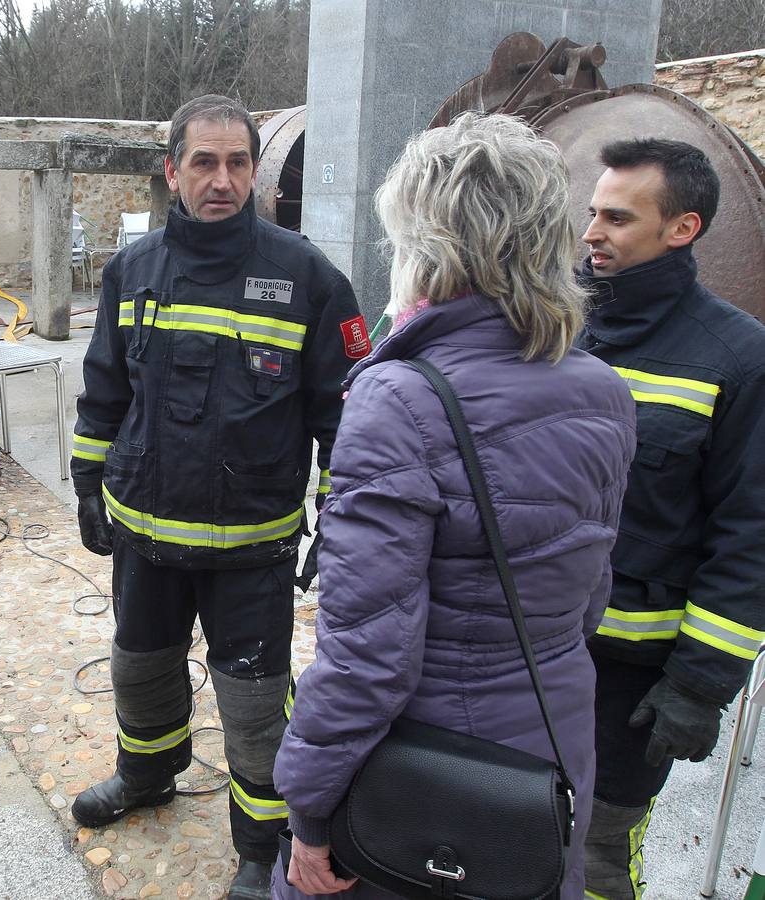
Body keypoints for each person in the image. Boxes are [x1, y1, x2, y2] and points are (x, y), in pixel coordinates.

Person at [271, 113, 635, 898]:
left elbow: (369, 655)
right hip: (547, 747)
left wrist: (307, 809)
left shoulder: (400, 400)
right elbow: (588, 598)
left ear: (428, 245)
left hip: (426, 775)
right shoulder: (603, 390)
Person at [69, 93, 363, 899]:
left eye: (238, 162)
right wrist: (88, 482)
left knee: (257, 709)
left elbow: (347, 416)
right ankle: (147, 774)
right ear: (172, 172)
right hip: (144, 538)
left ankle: (259, 848)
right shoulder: (131, 269)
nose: (222, 179)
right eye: (204, 162)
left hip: (251, 551)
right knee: (142, 672)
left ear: (255, 172)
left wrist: (338, 517)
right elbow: (103, 391)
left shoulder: (307, 276)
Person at [577, 138, 765, 900]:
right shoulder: (554, 326)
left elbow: (751, 536)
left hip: (634, 680)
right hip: (522, 655)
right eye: (593, 213)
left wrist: (699, 685)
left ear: (682, 228)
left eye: (617, 218)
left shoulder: (739, 358)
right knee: (502, 829)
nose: (592, 232)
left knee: (594, 858)